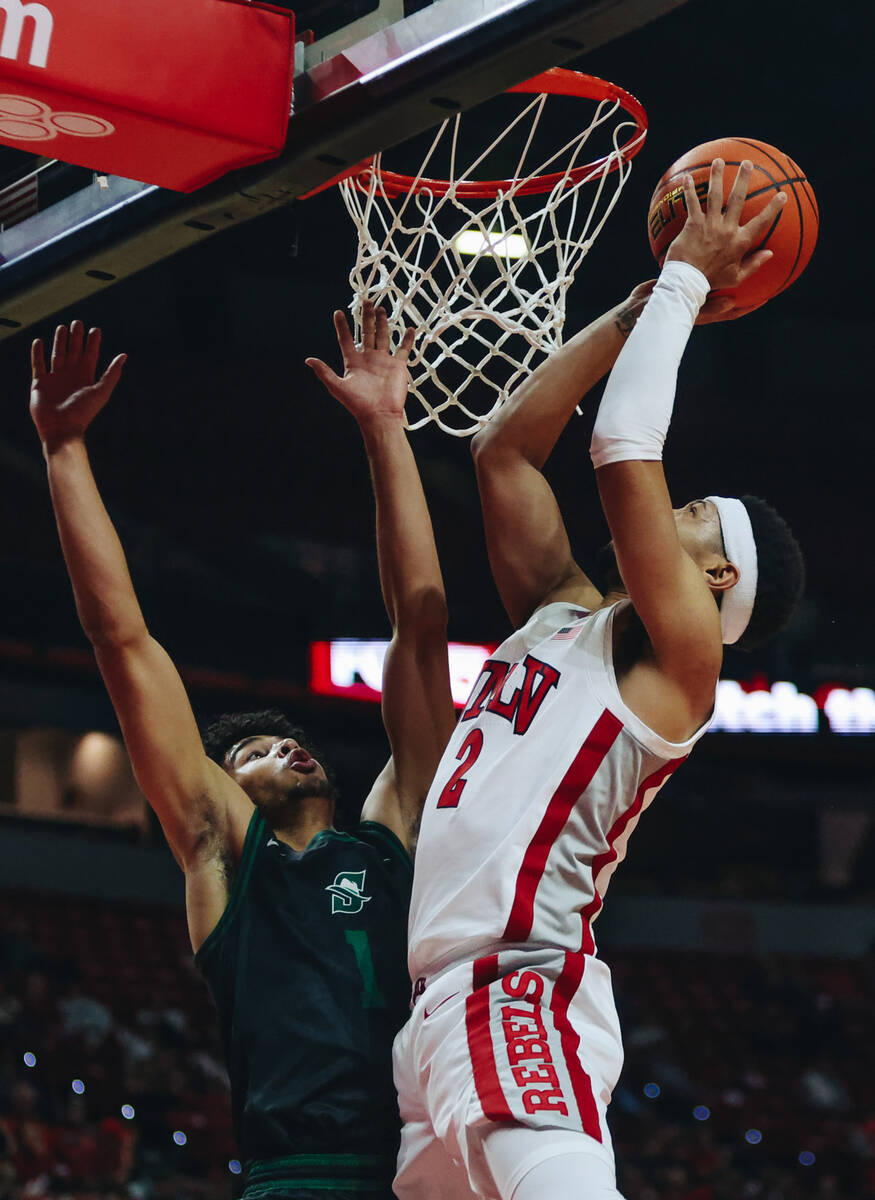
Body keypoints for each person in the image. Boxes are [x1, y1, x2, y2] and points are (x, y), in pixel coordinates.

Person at [391, 161, 805, 1199]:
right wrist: (631, 311)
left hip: (517, 987)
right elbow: (501, 455)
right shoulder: (564, 615)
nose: (673, 510)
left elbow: (623, 450)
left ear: (715, 581)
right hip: (439, 1007)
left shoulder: (680, 664)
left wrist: (685, 284)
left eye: (695, 513)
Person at [29, 302, 456, 1200]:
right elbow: (124, 640)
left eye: (290, 739)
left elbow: (419, 627)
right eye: (258, 751)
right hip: (294, 1175)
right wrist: (64, 450)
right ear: (224, 793)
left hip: (424, 1169)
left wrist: (385, 426)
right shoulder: (227, 855)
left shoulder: (389, 840)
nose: (290, 746)